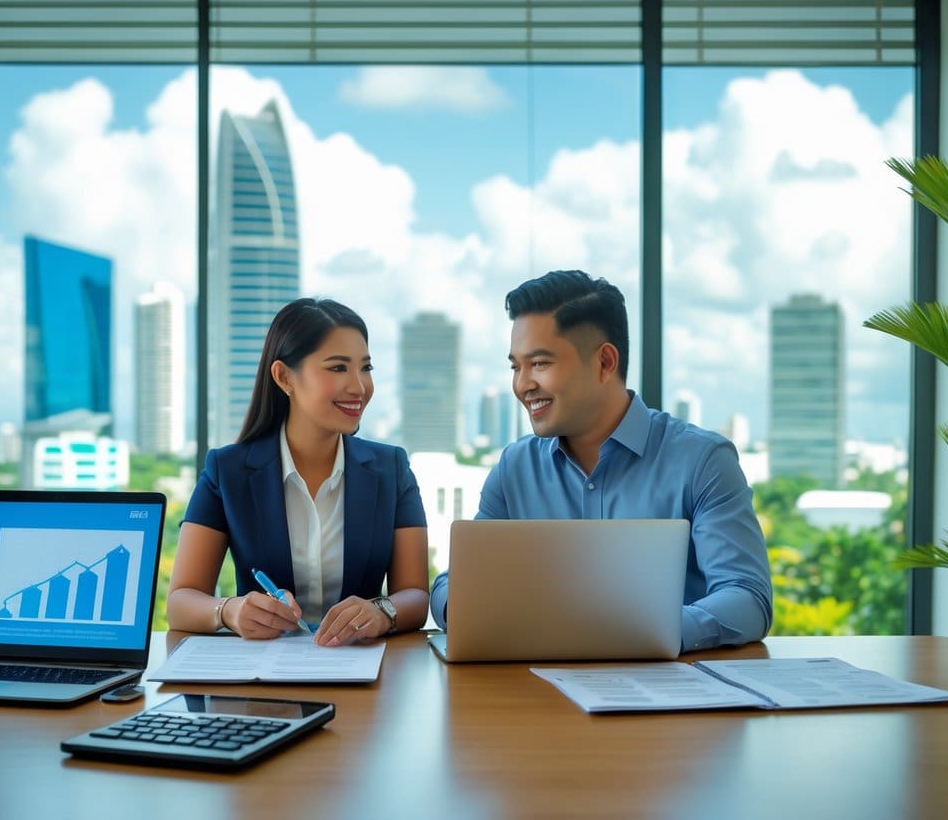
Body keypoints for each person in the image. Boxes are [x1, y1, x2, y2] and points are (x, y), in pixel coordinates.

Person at [429, 270, 772, 652]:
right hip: (537, 696)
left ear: (606, 362)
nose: (522, 385)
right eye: (516, 366)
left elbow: (746, 598)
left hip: (669, 697)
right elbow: (459, 582)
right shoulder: (515, 468)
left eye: (539, 363)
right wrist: (458, 608)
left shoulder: (702, 460)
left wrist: (635, 635)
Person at [167, 297, 429, 646]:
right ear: (284, 377)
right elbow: (181, 600)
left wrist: (383, 610)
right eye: (338, 368)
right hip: (263, 681)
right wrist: (229, 610)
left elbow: (415, 594)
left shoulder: (391, 469)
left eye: (365, 368)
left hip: (363, 673)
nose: (359, 387)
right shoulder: (226, 471)